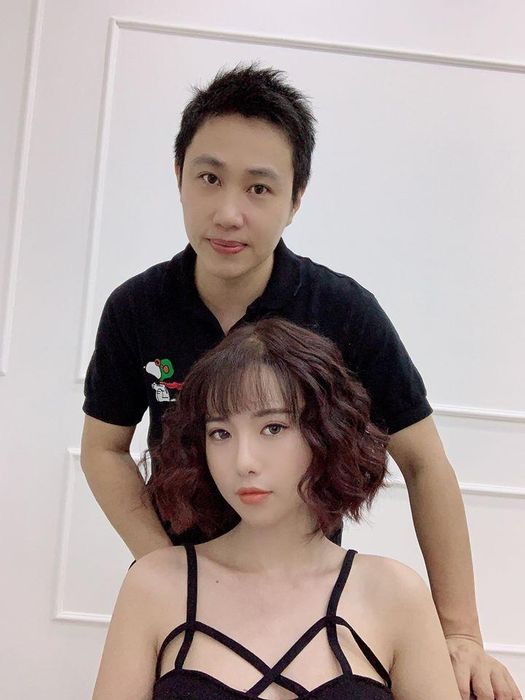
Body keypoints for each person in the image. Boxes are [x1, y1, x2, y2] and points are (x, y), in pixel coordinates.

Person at [81, 65, 521, 699]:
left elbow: (424, 463)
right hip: (185, 609)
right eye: (209, 178)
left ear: (296, 198)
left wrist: (461, 633)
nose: (228, 213)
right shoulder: (137, 309)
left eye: (259, 188)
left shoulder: (342, 311)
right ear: (178, 176)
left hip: (313, 595)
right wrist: (168, 569)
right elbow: (103, 448)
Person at [92, 318, 463, 700]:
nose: (244, 461)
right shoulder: (155, 586)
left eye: (273, 428)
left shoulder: (395, 595)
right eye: (221, 433)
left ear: (327, 432)